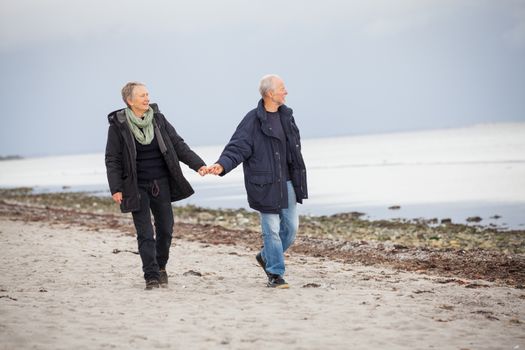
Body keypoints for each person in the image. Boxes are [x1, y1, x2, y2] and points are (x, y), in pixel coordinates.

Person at [105, 82, 207, 290]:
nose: (146, 98)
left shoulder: (158, 119)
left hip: (161, 183)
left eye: (147, 94)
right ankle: (151, 275)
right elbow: (112, 159)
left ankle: (160, 267)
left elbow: (178, 145)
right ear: (129, 101)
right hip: (135, 186)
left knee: (166, 229)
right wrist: (116, 188)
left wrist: (199, 165)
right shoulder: (119, 126)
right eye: (142, 95)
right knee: (145, 233)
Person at [208, 74, 308, 288]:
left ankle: (265, 256)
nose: (286, 92)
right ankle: (275, 274)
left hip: (288, 182)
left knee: (290, 230)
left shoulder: (287, 116)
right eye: (282, 88)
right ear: (270, 93)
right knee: (271, 230)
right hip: (263, 184)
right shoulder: (252, 119)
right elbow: (237, 147)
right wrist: (222, 164)